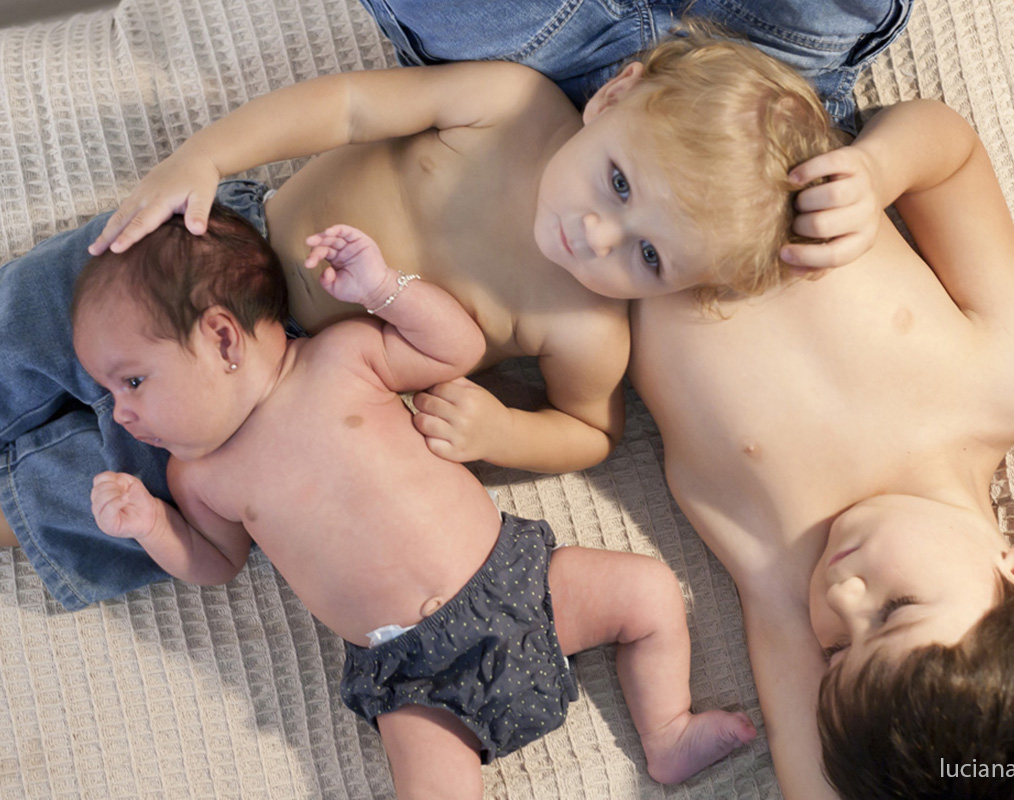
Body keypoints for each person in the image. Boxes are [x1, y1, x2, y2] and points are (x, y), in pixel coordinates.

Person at [0, 23, 838, 609]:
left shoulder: (587, 324)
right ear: (616, 95)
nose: (597, 238)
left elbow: (591, 430)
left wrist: (500, 434)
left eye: (649, 257)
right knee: (46, 308)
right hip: (229, 243)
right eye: (619, 183)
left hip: (286, 407)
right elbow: (352, 106)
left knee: (113, 496)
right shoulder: (511, 104)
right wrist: (206, 156)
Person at [72, 210, 756, 799]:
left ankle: (666, 731)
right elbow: (216, 562)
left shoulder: (341, 357)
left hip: (519, 584)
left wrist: (384, 289)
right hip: (410, 671)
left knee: (649, 592)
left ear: (223, 337)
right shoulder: (199, 478)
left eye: (131, 380)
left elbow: (456, 346)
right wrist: (155, 526)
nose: (122, 414)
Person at [627, 99, 1014, 798]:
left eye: (836, 651)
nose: (840, 598)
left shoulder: (782, 569)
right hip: (748, 87)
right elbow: (952, 155)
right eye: (895, 608)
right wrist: (877, 169)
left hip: (583, 171)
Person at [356, 0, 912, 134]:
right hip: (776, 74)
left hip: (556, 74)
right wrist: (874, 172)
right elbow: (937, 138)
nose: (599, 235)